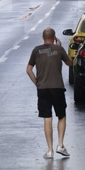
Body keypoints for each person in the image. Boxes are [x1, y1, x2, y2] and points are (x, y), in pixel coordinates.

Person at [26, 28, 73, 160]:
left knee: (47, 118)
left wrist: (37, 83)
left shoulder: (36, 50)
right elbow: (70, 63)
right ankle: (60, 145)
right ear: (54, 37)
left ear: (43, 37)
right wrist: (59, 47)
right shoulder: (59, 49)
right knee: (61, 116)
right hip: (57, 88)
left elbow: (28, 70)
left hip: (43, 89)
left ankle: (50, 151)